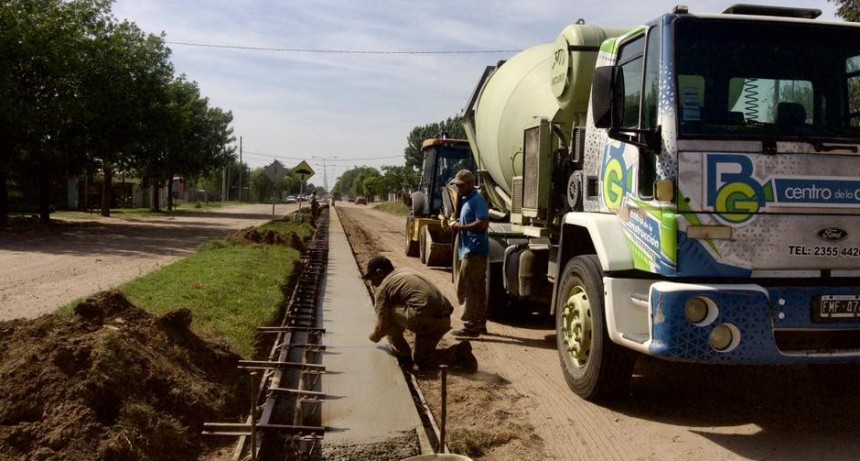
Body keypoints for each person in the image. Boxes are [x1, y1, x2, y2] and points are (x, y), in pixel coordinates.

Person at [363, 255, 477, 373]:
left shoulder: (384, 286)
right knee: (422, 360)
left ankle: (404, 357)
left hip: (423, 319)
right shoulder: (405, 272)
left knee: (389, 312)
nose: (373, 284)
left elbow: (382, 327)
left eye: (372, 279)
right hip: (443, 319)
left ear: (379, 272)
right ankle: (459, 353)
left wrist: (373, 338)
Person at [449, 169, 490, 338]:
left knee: (468, 287)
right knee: (477, 288)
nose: (458, 188)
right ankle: (479, 323)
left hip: (475, 250)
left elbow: (483, 223)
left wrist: (460, 228)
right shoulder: (467, 199)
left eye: (461, 185)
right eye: (457, 185)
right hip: (470, 250)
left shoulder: (477, 200)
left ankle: (471, 325)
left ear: (471, 184)